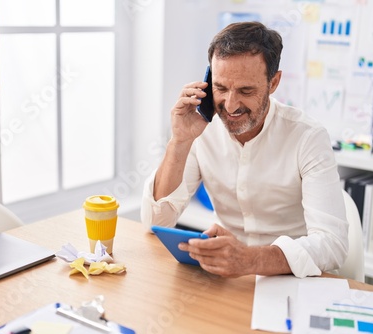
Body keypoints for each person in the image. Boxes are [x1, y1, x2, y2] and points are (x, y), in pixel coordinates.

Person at [140, 21, 348, 278]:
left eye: (246, 90)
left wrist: (250, 260)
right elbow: (155, 223)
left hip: (289, 278)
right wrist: (179, 141)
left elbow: (332, 245)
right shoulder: (201, 130)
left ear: (274, 82)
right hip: (227, 278)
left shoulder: (308, 137)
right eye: (221, 87)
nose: (230, 104)